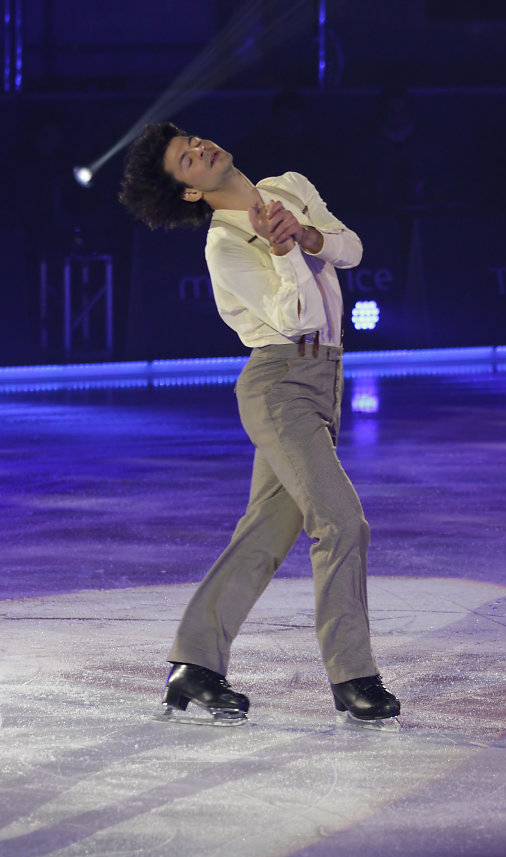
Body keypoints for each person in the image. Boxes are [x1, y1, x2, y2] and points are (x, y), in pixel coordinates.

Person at [119, 123, 400, 728]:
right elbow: (294, 320)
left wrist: (307, 233)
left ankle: (193, 664)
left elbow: (352, 249)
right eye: (186, 160)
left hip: (326, 380)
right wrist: (283, 252)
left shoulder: (289, 186)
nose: (200, 148)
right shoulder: (224, 246)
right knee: (341, 521)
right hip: (279, 385)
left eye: (192, 140)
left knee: (266, 535)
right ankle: (353, 676)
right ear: (190, 192)